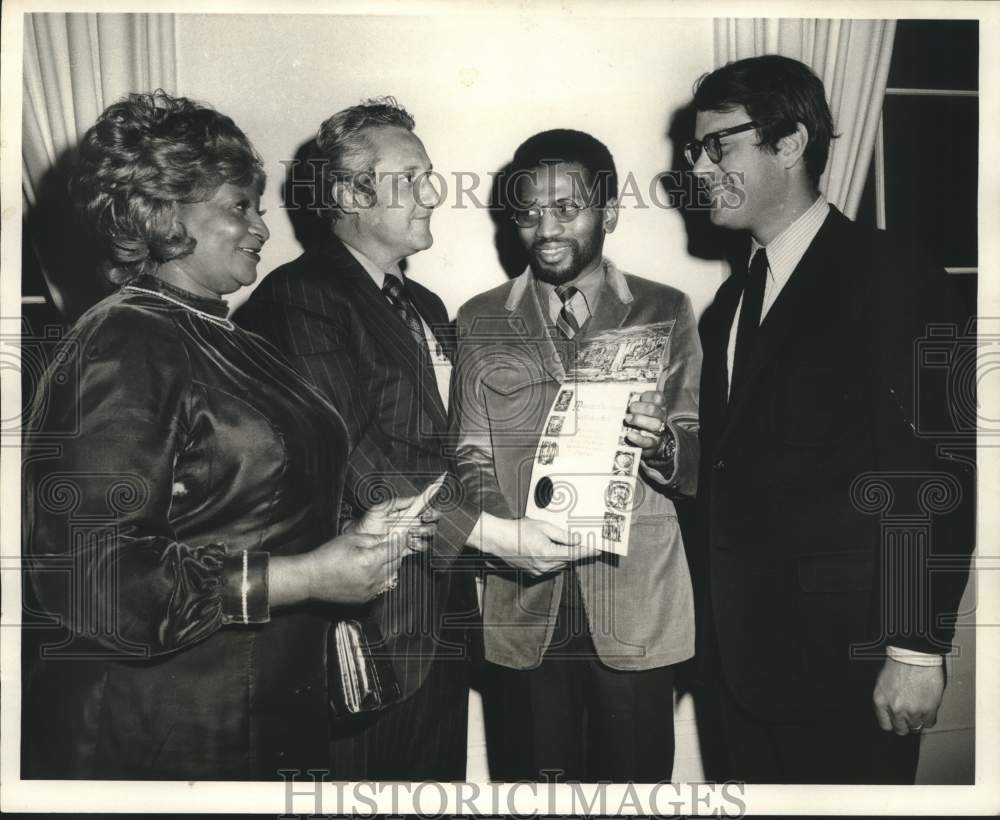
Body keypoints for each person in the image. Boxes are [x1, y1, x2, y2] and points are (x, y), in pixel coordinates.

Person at [21, 91, 430, 780]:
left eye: (260, 207)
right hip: (173, 729)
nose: (263, 229)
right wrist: (305, 576)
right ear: (165, 211)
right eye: (239, 206)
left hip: (262, 712)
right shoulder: (122, 340)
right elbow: (91, 579)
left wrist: (352, 531)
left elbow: (246, 506)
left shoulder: (224, 336)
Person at [236, 98, 573, 780]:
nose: (432, 194)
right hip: (355, 635)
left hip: (440, 621)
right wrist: (497, 537)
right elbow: (357, 456)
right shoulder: (301, 295)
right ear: (353, 192)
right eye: (412, 177)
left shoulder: (426, 308)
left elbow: (450, 450)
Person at [687, 55, 974, 783]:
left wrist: (916, 649)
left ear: (789, 144)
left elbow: (931, 476)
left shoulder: (891, 275)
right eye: (693, 149)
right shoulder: (728, 306)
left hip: (847, 671)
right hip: (740, 674)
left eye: (717, 144)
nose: (697, 166)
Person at [451, 129, 702, 782]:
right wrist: (509, 536)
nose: (547, 228)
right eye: (530, 212)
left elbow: (696, 453)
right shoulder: (479, 318)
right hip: (521, 604)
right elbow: (468, 457)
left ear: (610, 211)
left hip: (636, 607)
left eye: (568, 208)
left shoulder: (663, 307)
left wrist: (663, 444)